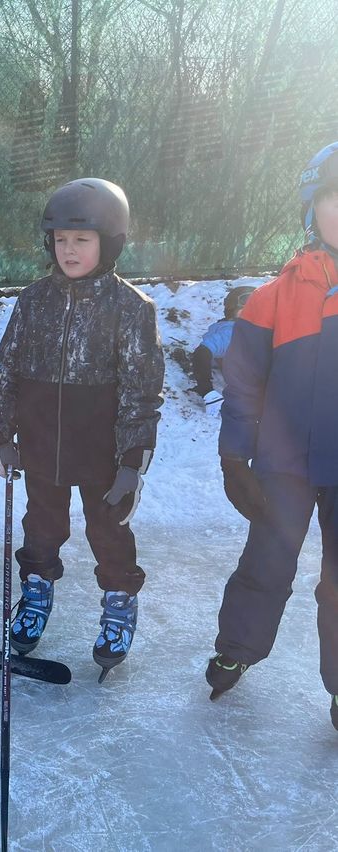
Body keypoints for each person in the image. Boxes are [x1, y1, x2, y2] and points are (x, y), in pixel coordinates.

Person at [0, 178, 164, 681]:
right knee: (41, 528)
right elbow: (9, 372)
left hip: (101, 453)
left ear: (109, 242)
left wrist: (132, 463)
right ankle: (37, 592)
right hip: (41, 447)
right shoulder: (33, 301)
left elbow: (141, 393)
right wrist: (0, 429)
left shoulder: (130, 309)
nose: (69, 250)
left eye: (81, 240)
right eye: (60, 239)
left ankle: (119, 601)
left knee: (109, 533)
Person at [206, 141, 338, 730]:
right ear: (312, 210)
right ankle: (237, 648)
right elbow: (242, 385)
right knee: (266, 563)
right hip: (283, 463)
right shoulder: (271, 299)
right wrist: (235, 456)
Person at [191, 285, 256, 416]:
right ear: (233, 310)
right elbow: (202, 353)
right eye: (246, 310)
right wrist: (208, 392)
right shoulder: (231, 332)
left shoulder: (261, 329)